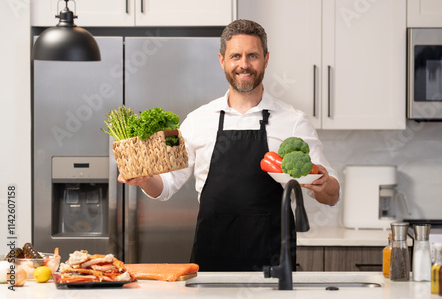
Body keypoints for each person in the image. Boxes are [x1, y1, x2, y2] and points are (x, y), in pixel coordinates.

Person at [119, 19, 341, 272]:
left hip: (272, 264)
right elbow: (167, 185)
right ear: (222, 60)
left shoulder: (293, 122)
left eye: (253, 56)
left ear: (266, 60)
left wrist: (324, 184)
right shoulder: (197, 120)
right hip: (211, 263)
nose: (244, 65)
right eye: (236, 56)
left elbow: (331, 195)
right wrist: (144, 179)